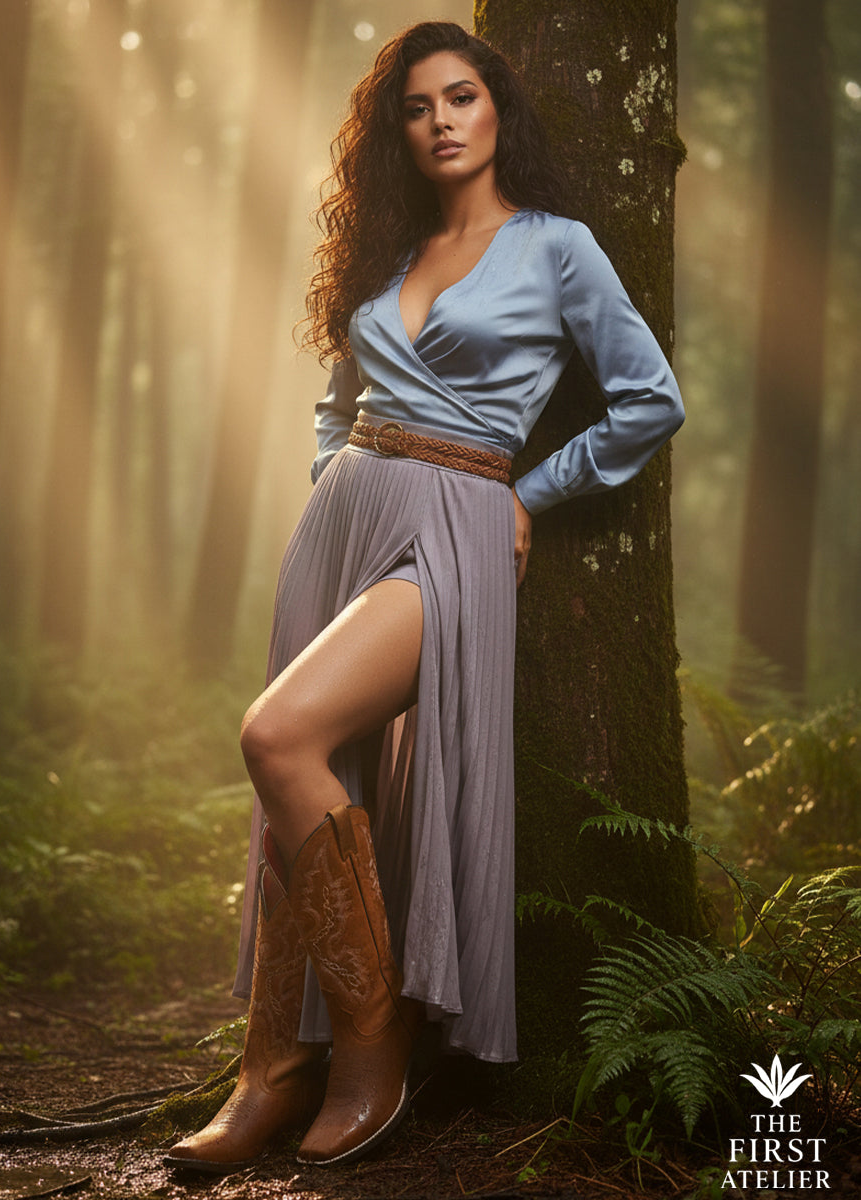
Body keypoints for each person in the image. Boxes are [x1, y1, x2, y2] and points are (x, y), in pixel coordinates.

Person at [164, 19, 683, 1175]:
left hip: (456, 521)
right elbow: (335, 395)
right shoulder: (389, 254)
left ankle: (368, 1042)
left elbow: (650, 400)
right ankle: (273, 1066)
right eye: (417, 106)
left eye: (461, 96)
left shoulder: (557, 248)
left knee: (278, 737)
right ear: (394, 130)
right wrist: (332, 479)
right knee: (316, 775)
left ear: (498, 111)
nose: (442, 119)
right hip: (346, 518)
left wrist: (530, 492)